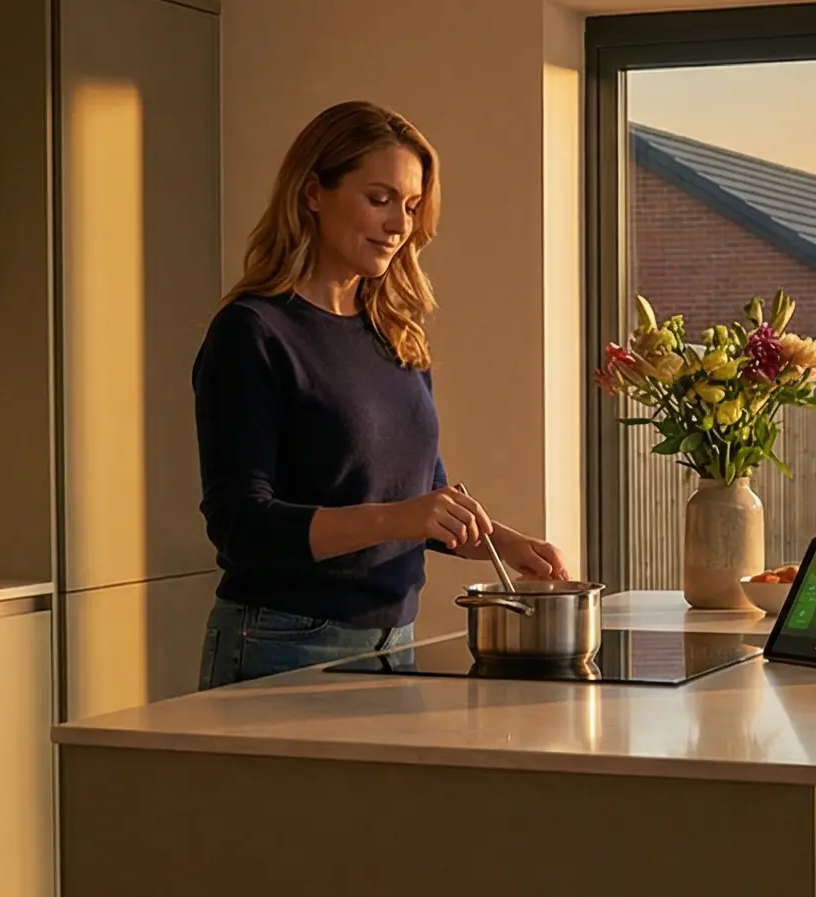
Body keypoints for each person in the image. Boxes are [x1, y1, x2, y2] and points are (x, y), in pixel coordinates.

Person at [193, 100, 565, 689]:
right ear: (313, 192)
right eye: (379, 198)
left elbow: (418, 494)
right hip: (281, 645)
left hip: (395, 643)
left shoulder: (392, 331)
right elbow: (241, 526)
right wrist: (404, 517)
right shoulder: (252, 333)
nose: (400, 224)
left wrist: (501, 541)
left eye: (412, 206)